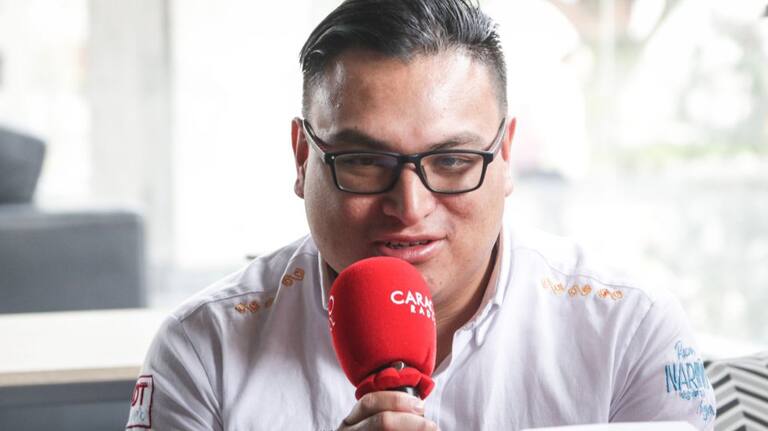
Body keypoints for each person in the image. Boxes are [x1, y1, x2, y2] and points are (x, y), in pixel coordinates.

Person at [126, 0, 716, 429]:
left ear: (505, 155)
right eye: (363, 161)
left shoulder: (626, 331)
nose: (409, 206)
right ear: (303, 158)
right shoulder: (203, 348)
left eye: (453, 161)